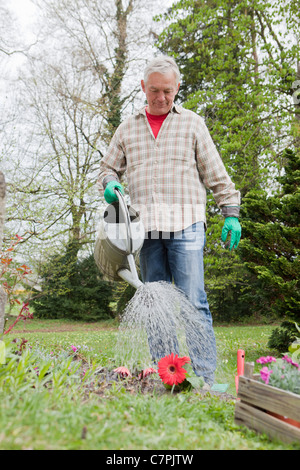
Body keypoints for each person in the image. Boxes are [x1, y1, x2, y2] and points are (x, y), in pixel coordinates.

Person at [98, 55, 241, 386]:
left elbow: (216, 174)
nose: (161, 98)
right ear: (143, 88)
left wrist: (230, 212)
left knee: (194, 301)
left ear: (177, 87)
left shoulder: (192, 124)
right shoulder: (127, 128)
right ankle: (170, 378)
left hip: (186, 225)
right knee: (154, 306)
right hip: (144, 230)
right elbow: (107, 168)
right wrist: (109, 184)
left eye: (167, 91)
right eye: (154, 91)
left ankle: (205, 378)